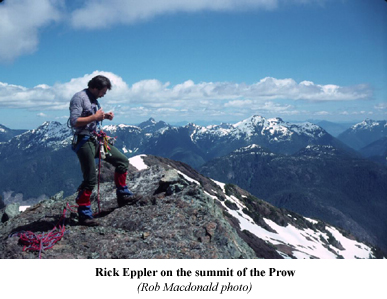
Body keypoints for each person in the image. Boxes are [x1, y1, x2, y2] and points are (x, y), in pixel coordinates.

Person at [69, 75, 139, 225]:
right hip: (85, 141)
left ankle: (123, 194)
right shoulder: (79, 98)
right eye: (103, 91)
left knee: (122, 161)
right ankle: (84, 214)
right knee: (90, 180)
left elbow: (91, 118)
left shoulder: (93, 98)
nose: (104, 94)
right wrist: (95, 116)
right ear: (95, 87)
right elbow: (74, 121)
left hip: (95, 139)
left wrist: (104, 117)